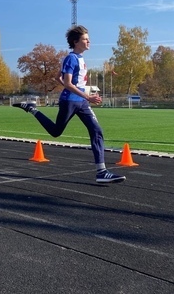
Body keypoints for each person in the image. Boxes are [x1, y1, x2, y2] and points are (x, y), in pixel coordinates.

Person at [12, 25, 126, 184]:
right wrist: (87, 96)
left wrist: (84, 96)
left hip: (82, 102)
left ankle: (101, 171)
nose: (89, 41)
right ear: (76, 42)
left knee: (97, 131)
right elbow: (67, 82)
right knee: (56, 132)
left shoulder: (79, 58)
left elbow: (58, 77)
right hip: (70, 101)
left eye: (88, 38)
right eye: (85, 39)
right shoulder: (71, 58)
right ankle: (32, 109)